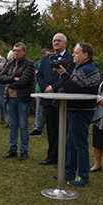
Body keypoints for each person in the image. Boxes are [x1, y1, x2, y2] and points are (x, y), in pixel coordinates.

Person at [56, 42, 101, 187]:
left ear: (85, 55)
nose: (73, 56)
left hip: (81, 112)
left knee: (80, 145)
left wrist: (63, 73)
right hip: (76, 111)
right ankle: (69, 172)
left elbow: (69, 87)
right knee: (71, 143)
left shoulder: (86, 70)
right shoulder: (82, 68)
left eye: (76, 53)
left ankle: (83, 176)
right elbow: (73, 85)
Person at [36, 33, 75, 165]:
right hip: (48, 97)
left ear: (65, 43)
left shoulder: (71, 58)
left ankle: (63, 158)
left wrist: (54, 86)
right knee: (51, 128)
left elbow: (69, 75)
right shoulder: (46, 58)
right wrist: (45, 87)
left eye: (59, 41)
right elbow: (39, 74)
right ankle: (51, 156)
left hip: (61, 99)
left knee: (62, 128)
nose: (56, 43)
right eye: (54, 41)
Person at [0, 42, 35, 161]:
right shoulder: (10, 63)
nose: (16, 53)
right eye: (14, 50)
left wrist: (9, 83)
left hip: (23, 98)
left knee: (23, 125)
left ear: (24, 51)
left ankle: (24, 150)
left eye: (18, 50)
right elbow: (0, 78)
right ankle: (12, 149)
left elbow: (24, 81)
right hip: (10, 98)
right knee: (13, 125)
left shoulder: (29, 64)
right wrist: (13, 78)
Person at [30, 48, 50, 137]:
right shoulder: (38, 64)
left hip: (49, 90)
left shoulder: (51, 63)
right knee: (39, 109)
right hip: (39, 89)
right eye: (47, 54)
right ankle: (37, 126)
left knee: (45, 110)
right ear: (43, 55)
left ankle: (41, 127)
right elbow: (37, 74)